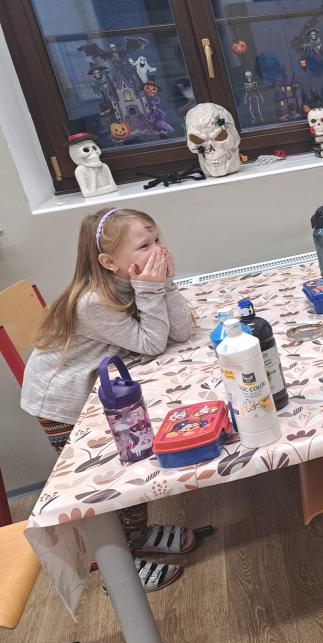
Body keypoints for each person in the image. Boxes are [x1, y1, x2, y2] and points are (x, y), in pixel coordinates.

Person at [22, 207, 198, 592]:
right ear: (109, 262)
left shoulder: (130, 282)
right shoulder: (93, 303)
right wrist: (153, 289)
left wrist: (164, 285)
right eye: (144, 245)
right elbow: (152, 343)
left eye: (157, 239)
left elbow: (181, 332)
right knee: (113, 480)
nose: (158, 250)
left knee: (131, 463)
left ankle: (137, 535)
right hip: (63, 405)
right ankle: (119, 567)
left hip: (98, 392)